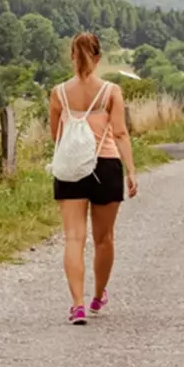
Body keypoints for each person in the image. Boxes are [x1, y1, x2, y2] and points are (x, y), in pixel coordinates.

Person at [49, 32, 138, 325]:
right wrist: (131, 171)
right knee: (104, 239)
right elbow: (121, 133)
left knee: (74, 238)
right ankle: (98, 296)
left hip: (71, 167)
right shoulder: (111, 91)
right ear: (98, 57)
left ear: (72, 56)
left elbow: (56, 135)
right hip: (106, 165)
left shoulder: (58, 93)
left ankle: (76, 305)